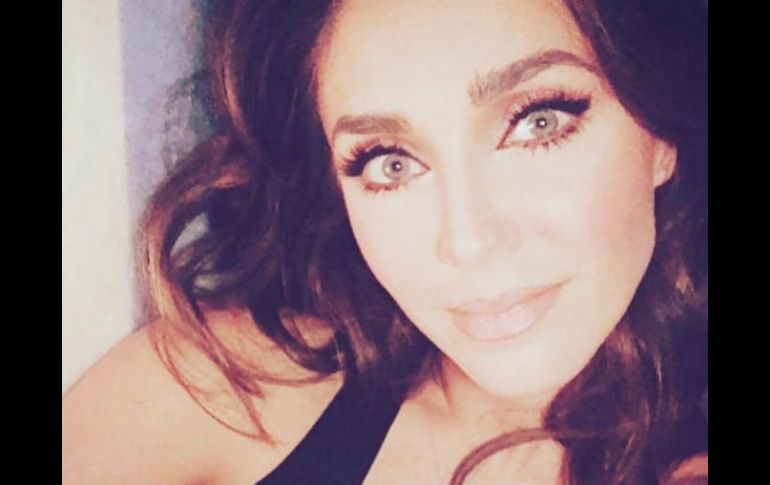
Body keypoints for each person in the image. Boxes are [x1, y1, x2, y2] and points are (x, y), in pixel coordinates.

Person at [62, 0, 708, 483]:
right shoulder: (215, 388)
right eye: (390, 162)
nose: (467, 241)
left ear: (660, 132)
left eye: (539, 121)